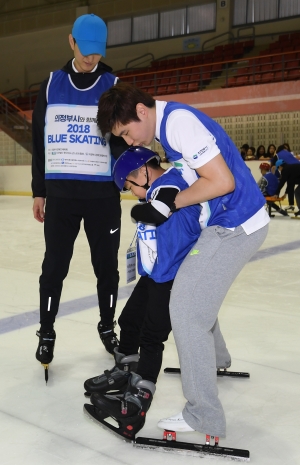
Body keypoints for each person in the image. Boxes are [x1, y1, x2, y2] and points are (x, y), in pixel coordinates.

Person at [95, 82, 269, 440]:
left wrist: (169, 204)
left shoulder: (176, 124)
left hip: (235, 225)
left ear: (142, 112)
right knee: (197, 288)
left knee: (186, 310)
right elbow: (194, 174)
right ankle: (216, 358)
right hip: (226, 221)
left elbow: (222, 181)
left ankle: (204, 415)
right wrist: (169, 197)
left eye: (127, 133)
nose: (130, 142)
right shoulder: (168, 129)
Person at [32, 14, 129, 368]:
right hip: (61, 197)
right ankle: (46, 330)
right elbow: (39, 143)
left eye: (97, 53)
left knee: (107, 268)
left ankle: (108, 327)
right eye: (85, 51)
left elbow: (122, 140)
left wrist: (133, 174)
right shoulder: (50, 85)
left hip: (103, 196)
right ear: (71, 42)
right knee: (54, 266)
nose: (91, 59)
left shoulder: (113, 85)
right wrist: (38, 190)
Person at [84, 146, 201, 439]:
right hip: (157, 272)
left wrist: (137, 210)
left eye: (129, 186)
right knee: (129, 320)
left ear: (143, 172)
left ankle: (135, 406)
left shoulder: (170, 184)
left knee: (152, 337)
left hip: (175, 274)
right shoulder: (158, 186)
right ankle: (125, 371)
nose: (130, 192)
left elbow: (156, 212)